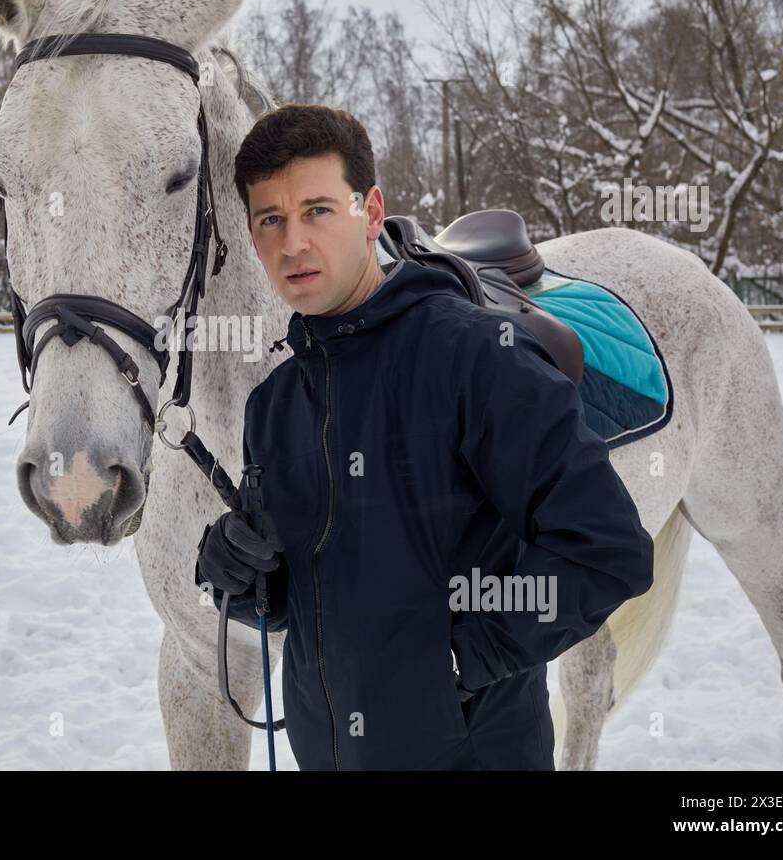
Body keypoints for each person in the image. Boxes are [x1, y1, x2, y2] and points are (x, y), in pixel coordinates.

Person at [194, 103, 655, 770]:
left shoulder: (476, 358)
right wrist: (241, 579)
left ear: (371, 212)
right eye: (271, 219)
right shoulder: (276, 404)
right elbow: (294, 602)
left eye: (318, 211)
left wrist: (460, 663)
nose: (293, 243)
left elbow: (607, 550)